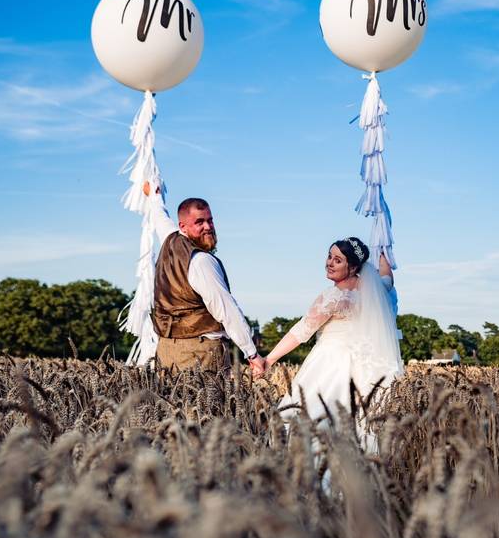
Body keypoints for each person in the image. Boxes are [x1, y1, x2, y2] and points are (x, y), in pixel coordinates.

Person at [254, 237, 403, 431]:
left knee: (314, 423)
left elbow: (301, 332)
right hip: (367, 368)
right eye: (329, 256)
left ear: (353, 267)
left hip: (331, 365)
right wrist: (383, 255)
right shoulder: (377, 292)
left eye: (338, 260)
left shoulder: (333, 297)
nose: (329, 263)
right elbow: (387, 278)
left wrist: (269, 359)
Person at [142, 182, 266, 373]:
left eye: (210, 220)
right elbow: (226, 310)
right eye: (199, 222)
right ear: (183, 226)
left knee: (171, 402)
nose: (208, 227)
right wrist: (252, 353)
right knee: (209, 404)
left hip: (166, 351)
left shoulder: (170, 238)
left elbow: (160, 217)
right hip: (200, 353)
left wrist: (154, 196)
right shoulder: (201, 261)